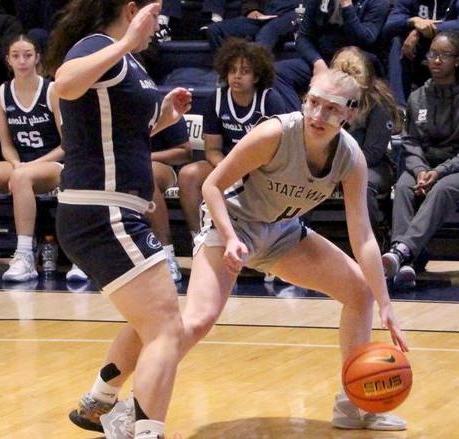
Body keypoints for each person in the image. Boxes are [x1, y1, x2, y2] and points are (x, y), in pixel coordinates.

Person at [68, 69, 410, 435]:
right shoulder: (275, 133)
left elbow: (364, 237)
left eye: (331, 109)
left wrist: (384, 301)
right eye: (313, 103)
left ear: (349, 114)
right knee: (193, 322)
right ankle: (120, 408)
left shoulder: (350, 158)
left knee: (360, 291)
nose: (317, 115)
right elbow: (213, 185)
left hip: (281, 232)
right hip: (230, 223)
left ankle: (355, 403)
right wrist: (230, 238)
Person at [44, 0, 192, 436]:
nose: (158, 26)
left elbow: (117, 132)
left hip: (109, 210)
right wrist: (126, 41)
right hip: (101, 210)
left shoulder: (125, 60)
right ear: (132, 10)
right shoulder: (98, 45)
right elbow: (63, 84)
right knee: (167, 327)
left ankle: (98, 402)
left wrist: (164, 118)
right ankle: (145, 431)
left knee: (150, 319)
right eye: (155, 14)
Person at [0, 34, 86, 283]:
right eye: (16, 56)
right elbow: (6, 144)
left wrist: (31, 166)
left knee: (22, 176)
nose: (22, 60)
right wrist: (15, 163)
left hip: (54, 164)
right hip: (21, 163)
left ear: (37, 58)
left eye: (27, 55)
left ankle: (25, 255)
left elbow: (67, 144)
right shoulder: (0, 94)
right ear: (8, 60)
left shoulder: (53, 90)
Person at [381, 31, 459, 288]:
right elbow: (410, 142)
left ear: (458, 61)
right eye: (432, 54)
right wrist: (420, 170)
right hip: (425, 167)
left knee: (441, 188)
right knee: (405, 186)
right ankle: (404, 264)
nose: (436, 60)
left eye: (443, 55)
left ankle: (401, 251)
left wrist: (439, 172)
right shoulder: (417, 97)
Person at [178, 38, 287, 239]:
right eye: (232, 70)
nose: (236, 76)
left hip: (261, 168)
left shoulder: (270, 101)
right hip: (227, 162)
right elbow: (212, 149)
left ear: (256, 77)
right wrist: (230, 169)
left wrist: (246, 170)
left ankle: (269, 240)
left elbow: (280, 150)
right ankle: (198, 237)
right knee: (188, 174)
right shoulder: (216, 99)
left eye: (244, 71)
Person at [331, 46, 402, 231]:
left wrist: (340, 168)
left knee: (363, 185)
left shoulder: (378, 102)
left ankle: (369, 247)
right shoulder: (327, 101)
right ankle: (296, 244)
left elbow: (373, 153)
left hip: (370, 165)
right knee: (300, 180)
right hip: (331, 164)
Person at [273, 0, 389, 111]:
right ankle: (300, 121)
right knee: (277, 72)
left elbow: (365, 39)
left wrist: (347, 6)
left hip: (355, 65)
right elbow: (303, 37)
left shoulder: (377, 2)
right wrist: (317, 62)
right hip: (323, 59)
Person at [380, 0, 459, 105]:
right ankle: (399, 108)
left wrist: (419, 31)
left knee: (456, 44)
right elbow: (388, 27)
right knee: (397, 42)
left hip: (453, 56)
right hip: (418, 55)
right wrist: (412, 21)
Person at [147, 119, 192, 282]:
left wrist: (143, 156)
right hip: (113, 167)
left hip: (158, 167)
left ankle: (166, 255)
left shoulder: (158, 102)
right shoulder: (101, 106)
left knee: (145, 174)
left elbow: (185, 152)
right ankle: (84, 261)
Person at [207, 0, 299, 55]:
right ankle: (228, 74)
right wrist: (252, 10)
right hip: (263, 16)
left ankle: (256, 78)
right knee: (215, 30)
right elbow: (250, 2)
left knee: (266, 33)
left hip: (292, 14)